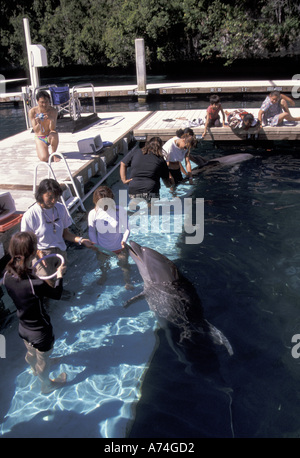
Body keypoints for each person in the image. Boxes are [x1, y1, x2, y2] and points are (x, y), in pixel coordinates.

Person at [3, 231, 67, 394]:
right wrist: (59, 275)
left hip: (23, 328)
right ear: (33, 252)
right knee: (43, 359)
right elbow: (57, 294)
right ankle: (46, 385)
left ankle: (34, 368)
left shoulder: (7, 275)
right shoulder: (35, 283)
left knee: (31, 352)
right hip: (40, 331)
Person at [21, 178, 94, 286]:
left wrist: (81, 240)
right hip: (42, 254)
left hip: (60, 250)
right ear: (40, 195)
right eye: (49, 197)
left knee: (60, 277)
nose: (54, 200)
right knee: (47, 283)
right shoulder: (30, 215)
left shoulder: (60, 208)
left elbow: (65, 234)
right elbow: (25, 243)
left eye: (56, 197)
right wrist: (37, 252)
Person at [88, 186, 132, 289]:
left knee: (124, 266)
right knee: (103, 266)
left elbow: (127, 228)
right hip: (102, 248)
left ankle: (127, 281)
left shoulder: (119, 210)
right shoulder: (93, 213)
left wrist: (124, 240)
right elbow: (91, 231)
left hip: (119, 247)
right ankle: (104, 275)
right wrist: (95, 244)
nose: (104, 207)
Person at [120, 136, 171, 202]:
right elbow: (167, 183)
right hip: (151, 189)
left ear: (147, 144)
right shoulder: (161, 160)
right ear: (160, 147)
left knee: (133, 205)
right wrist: (171, 183)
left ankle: (131, 211)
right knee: (152, 208)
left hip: (134, 188)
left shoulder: (135, 152)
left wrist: (124, 179)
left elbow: (123, 163)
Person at [29, 90, 60, 162]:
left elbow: (52, 128)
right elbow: (35, 130)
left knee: (54, 133)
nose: (44, 104)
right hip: (40, 137)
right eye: (42, 102)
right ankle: (41, 148)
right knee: (44, 158)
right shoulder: (33, 112)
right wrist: (39, 123)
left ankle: (53, 154)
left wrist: (51, 119)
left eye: (46, 102)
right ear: (37, 102)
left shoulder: (53, 111)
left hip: (49, 135)